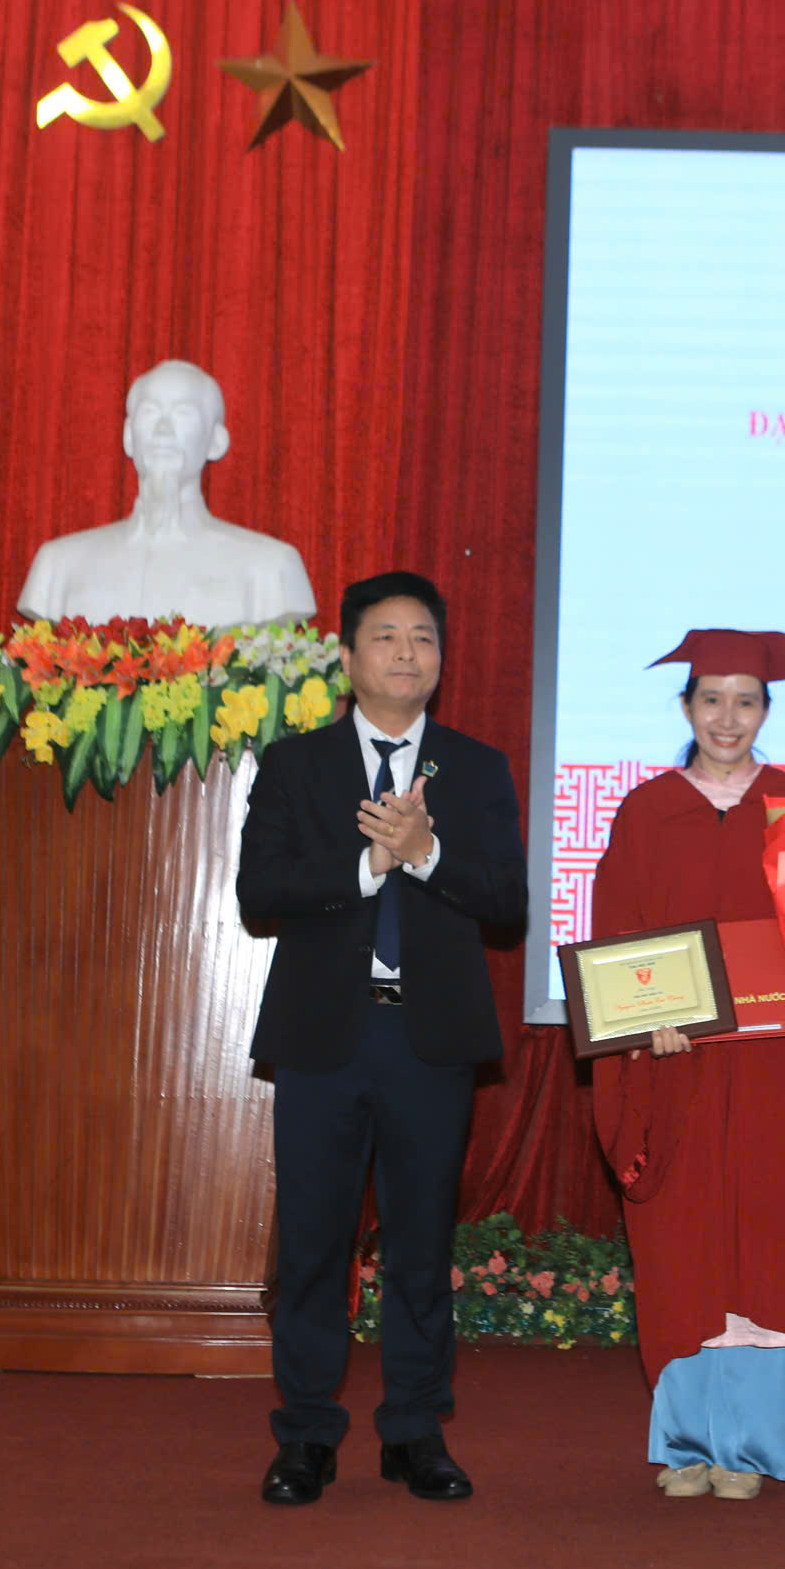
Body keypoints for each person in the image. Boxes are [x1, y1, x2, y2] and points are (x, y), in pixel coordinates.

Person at [237, 571, 526, 1506]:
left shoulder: (476, 767)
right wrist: (367, 865)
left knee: (420, 1247)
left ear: (441, 658)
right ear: (349, 656)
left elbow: (507, 902)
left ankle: (414, 1431)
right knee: (314, 1245)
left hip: (428, 1042)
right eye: (387, 637)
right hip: (325, 1038)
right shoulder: (297, 765)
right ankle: (306, 1436)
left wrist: (427, 855)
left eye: (423, 639)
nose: (407, 653)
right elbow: (259, 891)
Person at [589, 629, 785, 1501]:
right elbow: (617, 934)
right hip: (677, 1066)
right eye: (711, 699)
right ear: (686, 706)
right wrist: (639, 1022)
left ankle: (752, 1448)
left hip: (774, 1067)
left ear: (766, 710)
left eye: (746, 701)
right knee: (682, 1238)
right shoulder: (646, 810)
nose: (728, 717)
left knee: (765, 1236)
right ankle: (688, 1441)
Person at [17, 359, 316, 626]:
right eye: (150, 412)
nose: (163, 430)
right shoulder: (58, 567)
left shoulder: (270, 570)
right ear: (128, 436)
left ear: (216, 441)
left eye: (183, 414)